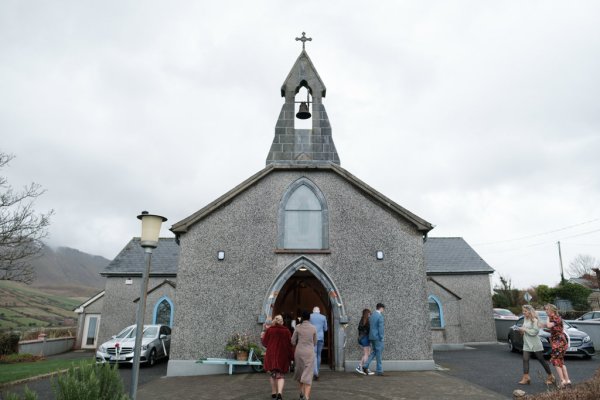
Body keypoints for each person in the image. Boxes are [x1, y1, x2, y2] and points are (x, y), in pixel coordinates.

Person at [516, 305, 554, 385]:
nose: (523, 312)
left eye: (525, 311)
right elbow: (524, 329)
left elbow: (534, 332)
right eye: (523, 311)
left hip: (535, 343)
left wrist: (525, 329)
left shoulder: (534, 320)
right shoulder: (525, 319)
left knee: (541, 360)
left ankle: (550, 376)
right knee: (525, 359)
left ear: (529, 311)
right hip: (526, 342)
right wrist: (521, 331)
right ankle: (526, 377)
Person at [262, 315, 294, 400]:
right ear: (282, 321)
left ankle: (273, 393)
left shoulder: (270, 330)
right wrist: (291, 357)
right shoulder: (286, 331)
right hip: (282, 355)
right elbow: (289, 345)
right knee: (281, 375)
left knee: (273, 375)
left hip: (271, 354)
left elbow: (265, 343)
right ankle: (279, 393)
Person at [543, 304, 571, 388]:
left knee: (556, 361)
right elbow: (552, 328)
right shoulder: (555, 318)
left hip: (559, 342)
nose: (546, 311)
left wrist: (547, 320)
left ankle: (562, 381)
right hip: (559, 341)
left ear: (552, 310)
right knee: (560, 361)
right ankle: (567, 380)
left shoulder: (555, 317)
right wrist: (543, 326)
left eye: (547, 310)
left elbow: (549, 325)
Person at [292, 310, 317, 400]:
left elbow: (293, 341)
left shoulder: (298, 327)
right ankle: (307, 397)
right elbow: (315, 342)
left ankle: (301, 392)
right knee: (308, 373)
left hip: (299, 352)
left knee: (300, 372)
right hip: (309, 352)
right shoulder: (313, 328)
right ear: (309, 317)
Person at [363, 303, 385, 376]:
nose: (383, 310)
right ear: (381, 308)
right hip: (377, 337)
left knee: (375, 351)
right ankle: (379, 370)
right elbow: (381, 328)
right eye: (383, 309)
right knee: (378, 353)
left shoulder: (372, 316)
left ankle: (366, 365)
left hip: (371, 337)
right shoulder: (380, 316)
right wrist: (381, 337)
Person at [309, 306, 328, 380]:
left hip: (312, 337)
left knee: (314, 354)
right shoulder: (323, 317)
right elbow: (326, 329)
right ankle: (317, 371)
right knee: (319, 355)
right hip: (320, 337)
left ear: (313, 311)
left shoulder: (310, 316)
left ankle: (315, 372)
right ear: (319, 311)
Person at [355, 308, 374, 375]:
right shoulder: (366, 321)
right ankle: (364, 368)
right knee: (366, 354)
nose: (370, 315)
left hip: (363, 338)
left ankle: (361, 367)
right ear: (367, 314)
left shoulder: (363, 320)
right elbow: (369, 330)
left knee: (367, 354)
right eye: (369, 313)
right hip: (365, 338)